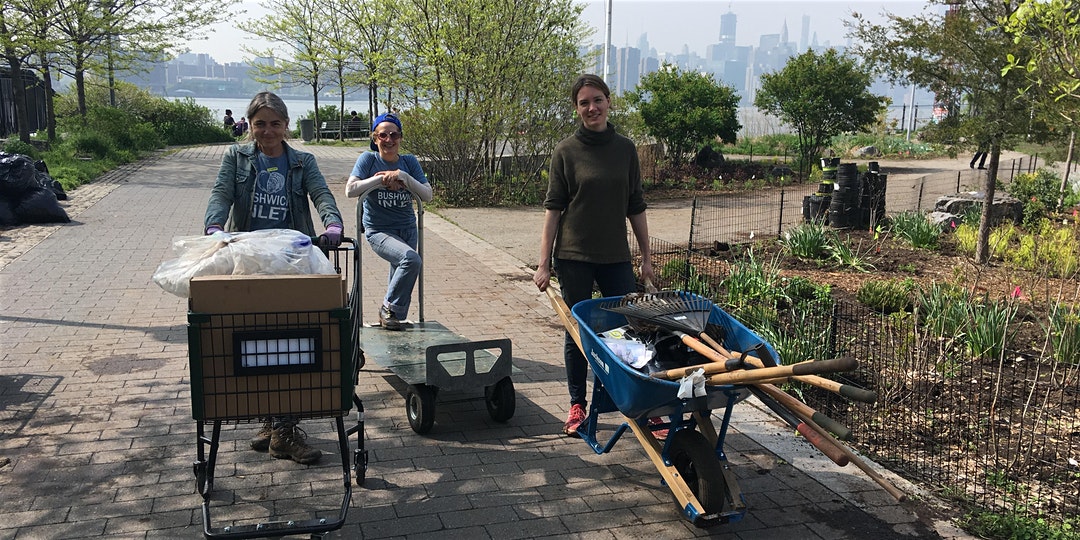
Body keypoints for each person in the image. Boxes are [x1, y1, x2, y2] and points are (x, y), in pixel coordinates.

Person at [203, 91, 344, 465]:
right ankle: (273, 422)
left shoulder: (302, 161)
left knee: (292, 336)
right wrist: (215, 225)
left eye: (275, 124)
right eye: (260, 123)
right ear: (250, 124)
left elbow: (321, 194)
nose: (267, 131)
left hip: (292, 257)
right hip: (249, 256)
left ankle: (281, 429)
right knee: (255, 335)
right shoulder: (236, 157)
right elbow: (221, 193)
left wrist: (332, 223)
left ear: (286, 126)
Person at [533, 74, 655, 436]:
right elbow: (553, 209)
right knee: (578, 332)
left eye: (597, 100)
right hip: (573, 257)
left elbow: (636, 206)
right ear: (577, 108)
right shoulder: (565, 152)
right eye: (584, 102)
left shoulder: (625, 149)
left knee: (629, 329)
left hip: (616, 255)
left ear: (608, 102)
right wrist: (543, 264)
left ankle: (641, 404)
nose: (592, 108)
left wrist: (646, 258)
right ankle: (576, 406)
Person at [345, 112, 432, 330]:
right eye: (383, 135)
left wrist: (403, 177)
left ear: (400, 138)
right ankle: (389, 308)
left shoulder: (409, 162)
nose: (389, 140)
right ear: (375, 139)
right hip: (379, 230)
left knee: (401, 270)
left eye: (394, 135)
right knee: (411, 260)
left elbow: (427, 195)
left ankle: (390, 318)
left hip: (407, 229)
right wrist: (379, 180)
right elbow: (350, 190)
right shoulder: (368, 159)